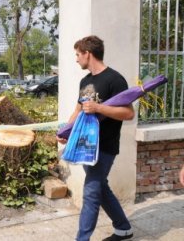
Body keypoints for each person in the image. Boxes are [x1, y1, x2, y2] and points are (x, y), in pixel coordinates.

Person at [56, 36, 135, 241]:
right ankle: (123, 228)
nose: (76, 59)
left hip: (105, 146)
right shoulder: (85, 81)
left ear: (87, 53)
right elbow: (78, 110)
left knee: (91, 192)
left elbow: (129, 114)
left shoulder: (115, 79)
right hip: (85, 146)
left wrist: (99, 108)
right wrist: (66, 131)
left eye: (77, 54)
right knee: (101, 187)